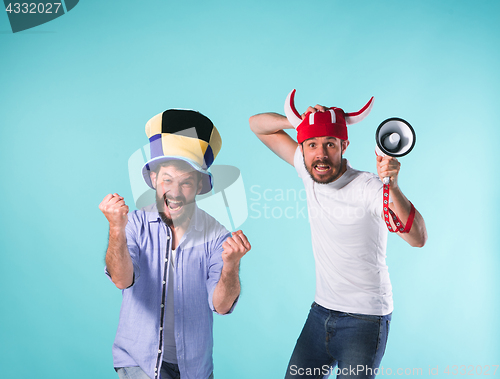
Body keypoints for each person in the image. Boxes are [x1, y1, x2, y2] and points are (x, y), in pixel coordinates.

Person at [249, 90, 427, 379]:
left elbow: (418, 237)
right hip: (321, 313)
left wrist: (392, 186)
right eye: (312, 144)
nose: (320, 154)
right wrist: (300, 122)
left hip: (365, 320)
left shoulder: (369, 188)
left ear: (343, 145)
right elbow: (256, 124)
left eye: (330, 144)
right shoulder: (309, 170)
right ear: (303, 148)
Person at [99, 109, 251, 379]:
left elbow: (222, 305)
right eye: (167, 179)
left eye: (186, 183)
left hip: (194, 368)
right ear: (154, 179)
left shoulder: (216, 235)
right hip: (139, 362)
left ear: (199, 187)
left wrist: (231, 264)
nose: (175, 193)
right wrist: (116, 228)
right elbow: (121, 280)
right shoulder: (133, 224)